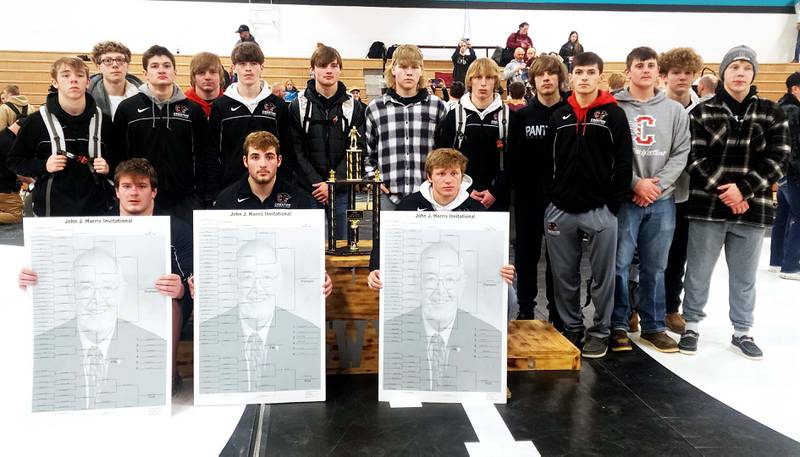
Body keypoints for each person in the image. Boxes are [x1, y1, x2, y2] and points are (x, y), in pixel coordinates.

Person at [680, 46, 789, 360]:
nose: (740, 73)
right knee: (698, 272)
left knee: (744, 276)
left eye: (746, 67)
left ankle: (742, 331)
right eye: (734, 67)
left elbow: (779, 159)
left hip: (752, 209)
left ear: (753, 73)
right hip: (708, 208)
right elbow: (695, 159)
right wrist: (727, 192)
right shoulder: (702, 112)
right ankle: (692, 326)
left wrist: (743, 190)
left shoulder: (772, 112)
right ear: (723, 72)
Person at [543, 52, 633, 358]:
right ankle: (572, 327)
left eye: (590, 72)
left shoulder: (614, 115)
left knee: (602, 276)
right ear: (571, 76)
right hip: (561, 209)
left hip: (600, 210)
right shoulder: (559, 115)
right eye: (579, 72)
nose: (584, 78)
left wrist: (612, 206)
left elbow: (623, 164)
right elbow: (547, 164)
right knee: (564, 275)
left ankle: (600, 331)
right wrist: (551, 197)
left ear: (600, 77)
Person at [610, 47, 690, 353]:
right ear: (628, 71)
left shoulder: (674, 111)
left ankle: (653, 326)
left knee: (655, 267)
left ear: (659, 72)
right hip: (626, 198)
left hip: (661, 200)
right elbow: (609, 152)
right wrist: (635, 184)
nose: (645, 70)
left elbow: (681, 152)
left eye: (651, 65)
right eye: (639, 65)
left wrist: (656, 186)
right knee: (618, 265)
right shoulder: (614, 106)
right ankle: (618, 323)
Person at [19, 247, 168, 411]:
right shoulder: (41, 348)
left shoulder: (155, 347)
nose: (97, 300)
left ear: (121, 292)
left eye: (107, 288)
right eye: (85, 288)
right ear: (71, 292)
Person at [380, 242, 503, 392]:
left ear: (462, 284)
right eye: (431, 279)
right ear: (418, 282)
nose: (440, 290)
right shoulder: (390, 334)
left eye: (449, 280)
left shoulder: (490, 339)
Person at [7, 57, 116, 217]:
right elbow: (14, 161)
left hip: (97, 212)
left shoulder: (104, 121)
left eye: (79, 75)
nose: (73, 80)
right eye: (66, 75)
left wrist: (109, 168)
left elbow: (122, 162)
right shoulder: (36, 121)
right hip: (51, 213)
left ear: (87, 82)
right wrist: (44, 165)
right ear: (55, 82)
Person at [113, 45, 209, 222]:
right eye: (155, 66)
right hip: (141, 199)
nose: (161, 70)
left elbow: (204, 156)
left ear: (175, 72)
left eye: (166, 65)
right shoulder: (127, 109)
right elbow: (117, 155)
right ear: (145, 73)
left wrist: (201, 196)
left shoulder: (193, 111)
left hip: (185, 200)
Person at [508, 54, 567, 324]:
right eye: (540, 74)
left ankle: (558, 311)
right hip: (528, 198)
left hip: (562, 199)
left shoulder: (570, 113)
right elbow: (513, 158)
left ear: (559, 78)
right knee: (526, 256)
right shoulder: (522, 116)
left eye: (551, 74)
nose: (546, 78)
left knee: (559, 259)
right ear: (533, 80)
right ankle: (526, 308)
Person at [288, 45, 366, 238]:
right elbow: (295, 151)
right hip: (308, 190)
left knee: (344, 249)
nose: (328, 70)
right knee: (307, 248)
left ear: (340, 69)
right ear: (312, 69)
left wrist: (332, 185)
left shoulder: (354, 107)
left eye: (333, 65)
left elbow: (357, 150)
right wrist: (317, 184)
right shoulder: (297, 106)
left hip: (342, 190)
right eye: (322, 65)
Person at [364, 44, 448, 210]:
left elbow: (445, 151)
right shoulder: (375, 108)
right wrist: (371, 178)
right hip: (387, 195)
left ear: (421, 70)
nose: (409, 72)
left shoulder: (437, 107)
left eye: (414, 67)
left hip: (428, 196)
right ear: (393, 69)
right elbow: (368, 152)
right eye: (403, 67)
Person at [207, 42, 294, 199]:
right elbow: (212, 153)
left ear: (261, 67)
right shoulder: (221, 106)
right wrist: (214, 194)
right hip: (230, 191)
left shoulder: (277, 105)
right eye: (242, 63)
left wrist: (284, 185)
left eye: (253, 63)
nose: (248, 68)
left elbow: (286, 150)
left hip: (272, 191)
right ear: (233, 68)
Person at [658, 47, 704, 334]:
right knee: (646, 257)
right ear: (665, 75)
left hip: (688, 194)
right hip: (654, 192)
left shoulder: (704, 109)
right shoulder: (654, 106)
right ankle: (639, 307)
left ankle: (671, 308)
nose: (682, 78)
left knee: (678, 255)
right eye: (676, 73)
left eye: (688, 73)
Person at [436, 58, 512, 211]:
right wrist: (467, 190)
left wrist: (495, 191)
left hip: (498, 198)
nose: (483, 83)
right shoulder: (453, 116)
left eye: (489, 77)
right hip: (460, 197)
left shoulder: (510, 118)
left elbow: (514, 161)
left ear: (496, 81)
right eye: (478, 77)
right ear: (470, 81)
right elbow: (443, 158)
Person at [214, 131, 316, 210]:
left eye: (269, 157)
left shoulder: (299, 199)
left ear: (279, 160)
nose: (263, 164)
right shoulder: (225, 199)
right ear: (245, 161)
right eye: (255, 157)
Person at [770, 72, 800, 280]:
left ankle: (777, 261)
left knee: (783, 216)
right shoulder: (793, 111)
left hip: (784, 172)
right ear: (795, 89)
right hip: (792, 172)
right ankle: (790, 265)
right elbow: (793, 146)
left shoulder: (781, 107)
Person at [87, 41, 142, 120]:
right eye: (108, 61)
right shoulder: (86, 97)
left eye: (119, 60)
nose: (115, 65)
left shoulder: (144, 97)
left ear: (127, 65)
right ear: (99, 67)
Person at [184, 52, 224, 118]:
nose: (207, 77)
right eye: (201, 72)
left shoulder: (231, 103)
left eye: (213, 72)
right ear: (193, 77)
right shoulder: (182, 104)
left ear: (220, 75)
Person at [0, 120, 25, 223]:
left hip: (3, 187)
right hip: (5, 190)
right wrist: (34, 183)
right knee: (17, 217)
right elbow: (20, 173)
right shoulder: (10, 144)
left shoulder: (2, 135)